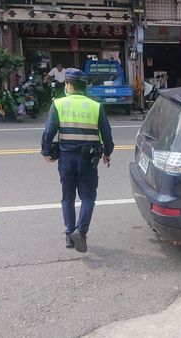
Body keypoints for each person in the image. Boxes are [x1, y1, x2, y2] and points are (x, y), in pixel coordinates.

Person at [41, 68, 115, 253]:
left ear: (69, 85)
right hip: (88, 160)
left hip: (66, 158)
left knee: (67, 198)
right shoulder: (96, 106)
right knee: (88, 197)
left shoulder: (58, 104)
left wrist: (46, 151)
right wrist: (108, 152)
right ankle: (81, 231)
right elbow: (106, 133)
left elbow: (49, 132)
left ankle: (69, 234)